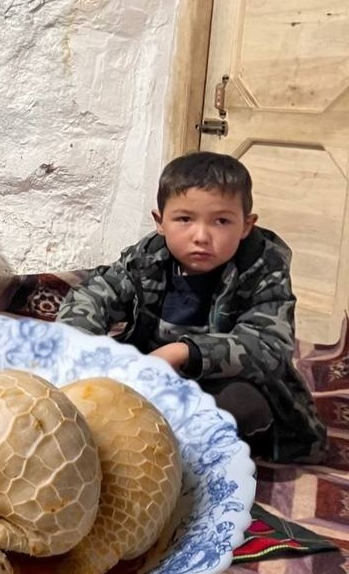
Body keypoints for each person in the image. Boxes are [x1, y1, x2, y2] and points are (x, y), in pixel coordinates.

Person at [58, 152, 326, 464]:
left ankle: (177, 451)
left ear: (246, 226)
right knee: (80, 385)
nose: (201, 236)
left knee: (242, 405)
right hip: (151, 376)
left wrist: (183, 352)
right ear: (160, 222)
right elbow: (91, 296)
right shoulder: (146, 258)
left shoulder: (263, 266)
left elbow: (269, 345)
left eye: (222, 221)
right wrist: (82, 349)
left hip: (222, 383)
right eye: (184, 219)